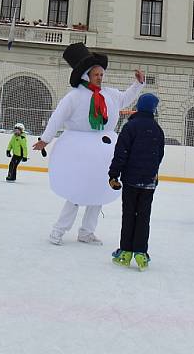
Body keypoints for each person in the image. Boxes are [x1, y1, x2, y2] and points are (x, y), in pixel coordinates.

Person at [33, 42, 144, 246]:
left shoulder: (109, 95)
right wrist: (45, 139)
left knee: (98, 192)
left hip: (104, 154)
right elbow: (57, 118)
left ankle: (87, 232)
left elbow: (126, 98)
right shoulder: (74, 96)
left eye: (101, 74)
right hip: (79, 152)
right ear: (86, 75)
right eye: (96, 75)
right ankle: (58, 230)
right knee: (76, 192)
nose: (100, 78)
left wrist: (137, 85)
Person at [108, 92, 164, 270]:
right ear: (154, 109)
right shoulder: (157, 130)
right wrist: (154, 172)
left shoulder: (130, 127)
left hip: (131, 180)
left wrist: (113, 175)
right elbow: (159, 155)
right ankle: (140, 252)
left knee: (129, 215)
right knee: (143, 217)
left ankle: (125, 251)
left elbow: (121, 153)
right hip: (148, 182)